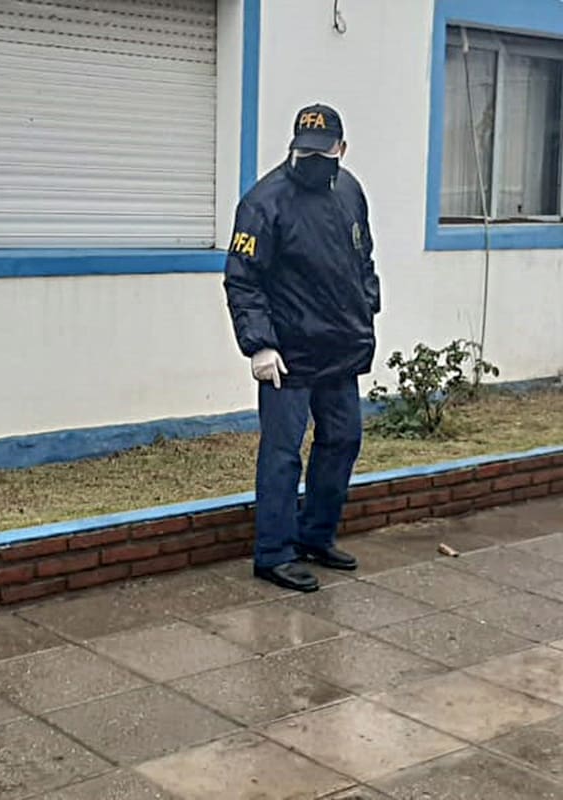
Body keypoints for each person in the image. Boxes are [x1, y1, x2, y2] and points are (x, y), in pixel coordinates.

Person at [223, 103, 380, 594]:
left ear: (341, 149)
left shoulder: (351, 190)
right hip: (287, 354)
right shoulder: (263, 202)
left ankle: (316, 534)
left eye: (324, 150)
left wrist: (369, 302)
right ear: (294, 146)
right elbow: (242, 281)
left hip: (340, 347)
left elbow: (363, 255)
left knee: (343, 440)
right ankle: (273, 553)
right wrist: (259, 344)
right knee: (282, 454)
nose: (314, 158)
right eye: (304, 150)